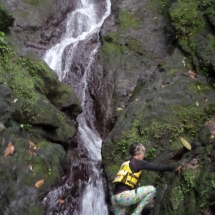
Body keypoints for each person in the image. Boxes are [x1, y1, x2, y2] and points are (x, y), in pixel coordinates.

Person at [111, 142, 175, 215]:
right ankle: (136, 213)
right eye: (143, 153)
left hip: (115, 198)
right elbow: (158, 167)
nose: (143, 156)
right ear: (139, 153)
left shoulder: (125, 163)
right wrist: (174, 168)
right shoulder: (138, 163)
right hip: (124, 197)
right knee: (152, 190)